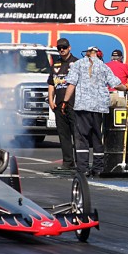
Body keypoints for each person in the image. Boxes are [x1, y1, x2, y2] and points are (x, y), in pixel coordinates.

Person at [63, 46, 128, 177]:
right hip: (99, 107)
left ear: (87, 54)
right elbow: (115, 84)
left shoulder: (78, 64)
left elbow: (71, 84)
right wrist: (126, 88)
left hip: (82, 107)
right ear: (99, 55)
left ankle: (83, 168)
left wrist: (65, 102)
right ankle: (98, 168)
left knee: (82, 138)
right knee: (97, 137)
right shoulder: (103, 66)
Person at [47, 38, 78, 170]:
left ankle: (80, 162)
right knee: (63, 134)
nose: (61, 50)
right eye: (59, 48)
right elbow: (51, 83)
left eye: (64, 47)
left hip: (74, 104)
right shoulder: (55, 64)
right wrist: (50, 100)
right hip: (59, 104)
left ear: (69, 48)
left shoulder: (76, 63)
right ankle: (67, 162)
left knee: (77, 134)